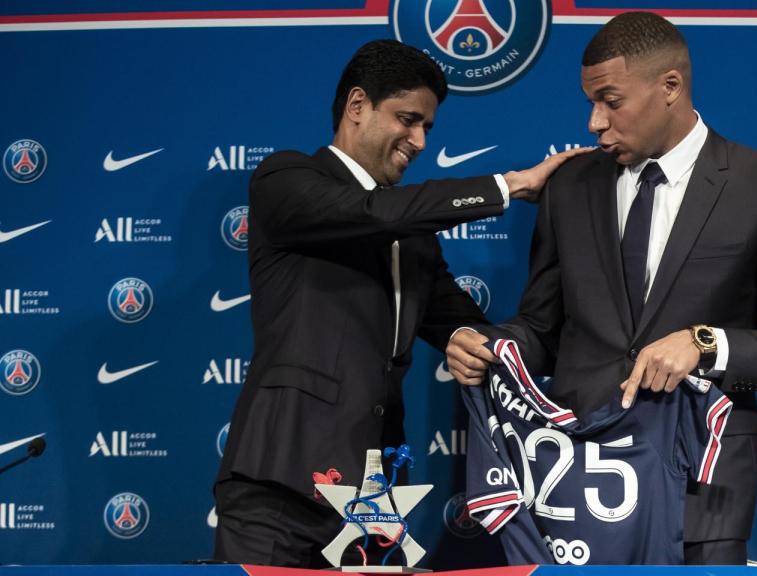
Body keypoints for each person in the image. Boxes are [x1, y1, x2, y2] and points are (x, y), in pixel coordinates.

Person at [446, 12, 757, 565]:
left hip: (701, 490)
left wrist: (706, 344)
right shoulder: (570, 187)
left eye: (610, 101)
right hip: (579, 486)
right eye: (590, 102)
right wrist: (494, 346)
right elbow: (541, 327)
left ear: (670, 87)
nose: (593, 123)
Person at [213, 39, 585, 568]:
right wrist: (509, 185)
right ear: (357, 106)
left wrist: (470, 342)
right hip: (281, 484)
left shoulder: (413, 233)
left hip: (375, 496)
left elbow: (454, 317)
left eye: (428, 128)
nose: (419, 141)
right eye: (408, 120)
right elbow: (373, 213)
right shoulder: (285, 179)